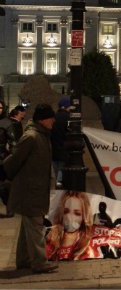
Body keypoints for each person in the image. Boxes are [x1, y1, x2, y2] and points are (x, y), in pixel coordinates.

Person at [2, 104, 58, 273]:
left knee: (29, 227)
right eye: (51, 118)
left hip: (35, 188)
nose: (53, 121)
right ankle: (39, 263)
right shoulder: (32, 137)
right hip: (29, 189)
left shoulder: (41, 136)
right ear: (43, 120)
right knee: (35, 227)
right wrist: (7, 174)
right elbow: (13, 160)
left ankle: (24, 260)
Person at [45, 191, 101, 260]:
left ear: (84, 217)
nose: (70, 218)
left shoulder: (88, 244)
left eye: (77, 213)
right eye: (66, 212)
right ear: (61, 213)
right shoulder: (51, 238)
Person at [51, 96, 72, 188]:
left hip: (54, 148)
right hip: (64, 148)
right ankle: (60, 185)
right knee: (62, 171)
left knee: (57, 169)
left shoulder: (54, 116)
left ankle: (58, 183)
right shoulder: (68, 117)